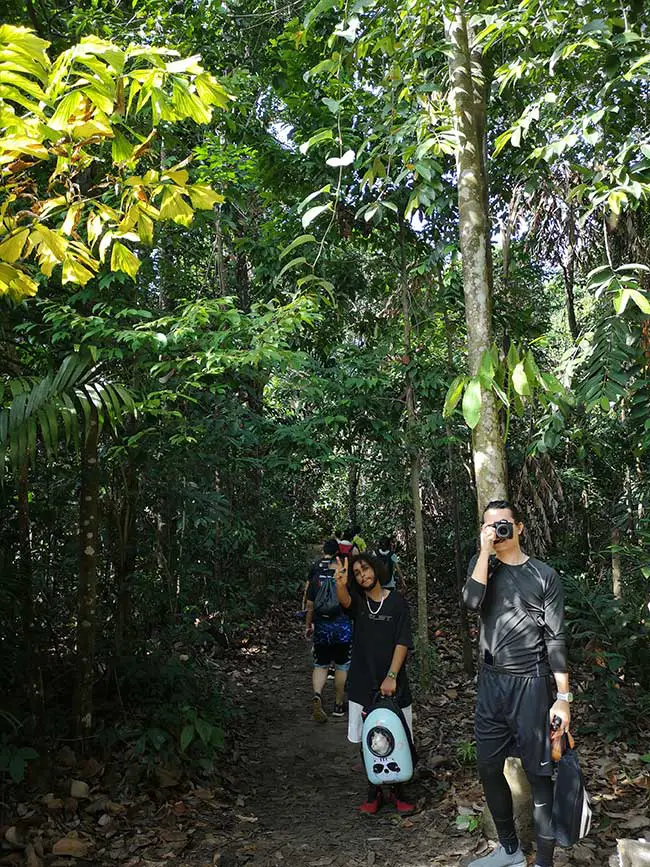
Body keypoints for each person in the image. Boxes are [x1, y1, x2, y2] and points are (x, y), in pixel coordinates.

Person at [463, 500, 571, 867]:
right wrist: (483, 552)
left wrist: (563, 697)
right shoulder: (484, 568)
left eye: (504, 524)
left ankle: (542, 861)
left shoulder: (544, 575)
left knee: (540, 774)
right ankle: (508, 849)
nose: (498, 531)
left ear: (520, 527)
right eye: (490, 526)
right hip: (492, 684)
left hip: (532, 684)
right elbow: (470, 601)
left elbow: (556, 638)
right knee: (488, 766)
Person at [334, 552, 416, 815]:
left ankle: (400, 791)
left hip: (394, 684)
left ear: (376, 570)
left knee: (399, 737)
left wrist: (391, 676)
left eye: (365, 569)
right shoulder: (359, 602)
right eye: (357, 573)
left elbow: (402, 641)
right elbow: (345, 601)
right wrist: (340, 582)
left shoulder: (397, 604)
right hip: (363, 683)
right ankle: (374, 791)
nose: (363, 575)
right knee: (367, 739)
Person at [304, 539, 352, 722]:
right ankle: (339, 705)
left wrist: (309, 626)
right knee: (341, 666)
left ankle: (317, 695)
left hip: (322, 628)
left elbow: (310, 606)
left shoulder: (317, 576)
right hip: (342, 628)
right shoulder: (343, 576)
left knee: (320, 665)